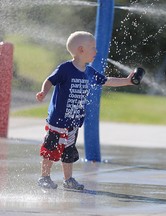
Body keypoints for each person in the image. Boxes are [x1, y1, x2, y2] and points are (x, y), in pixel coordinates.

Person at [36, 31, 134, 190]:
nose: (96, 51)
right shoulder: (65, 69)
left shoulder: (88, 71)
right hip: (58, 121)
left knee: (68, 151)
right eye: (93, 48)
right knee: (51, 149)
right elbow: (49, 80)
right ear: (81, 50)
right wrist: (43, 92)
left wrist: (127, 81)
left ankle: (68, 180)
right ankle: (44, 177)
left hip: (73, 122)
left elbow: (107, 81)